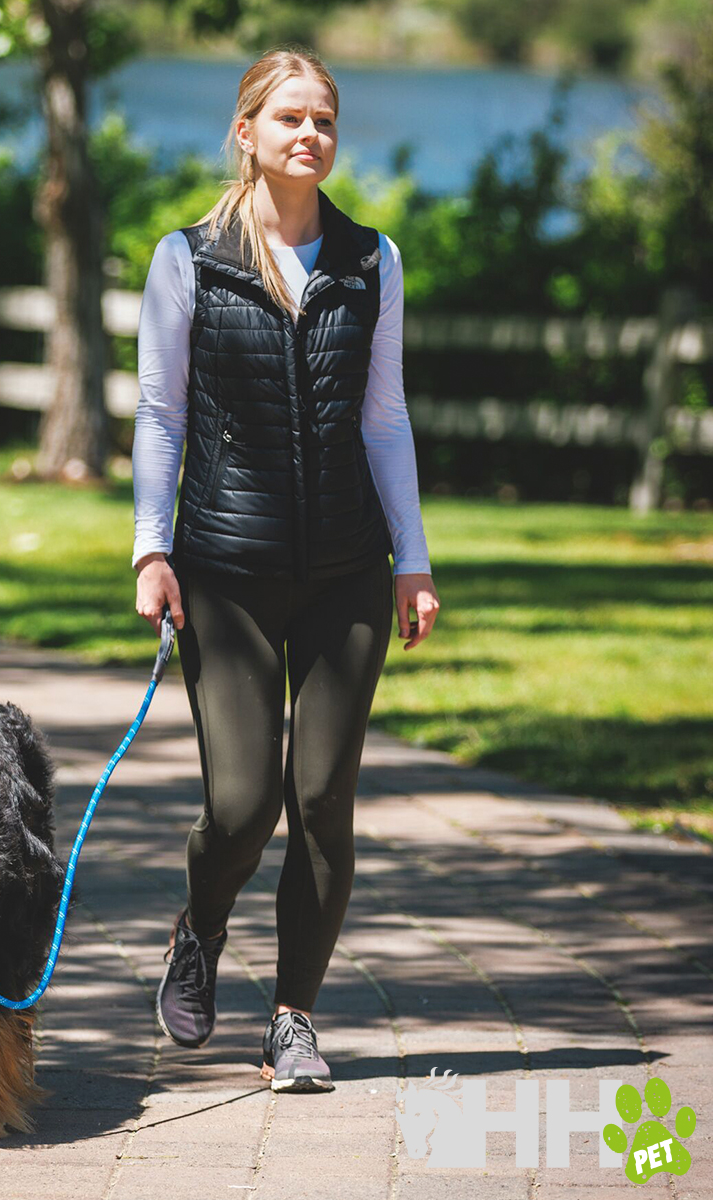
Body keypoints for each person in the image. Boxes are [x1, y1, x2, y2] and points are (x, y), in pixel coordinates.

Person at [131, 46, 441, 1093]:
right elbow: (160, 414)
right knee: (242, 800)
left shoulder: (371, 260)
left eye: (325, 121)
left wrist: (414, 561)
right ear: (247, 132)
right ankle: (201, 928)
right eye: (289, 119)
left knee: (322, 797)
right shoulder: (190, 259)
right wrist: (151, 548)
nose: (309, 135)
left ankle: (294, 1021)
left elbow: (385, 418)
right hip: (227, 569)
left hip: (349, 570)